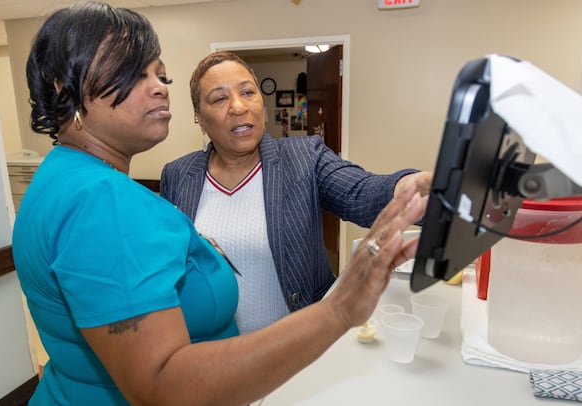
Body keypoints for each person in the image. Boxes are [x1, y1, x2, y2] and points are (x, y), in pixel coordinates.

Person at [12, 2, 427, 405]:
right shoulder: (118, 195)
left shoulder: (60, 176)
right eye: (132, 73)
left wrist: (415, 187)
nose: (158, 86)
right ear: (64, 90)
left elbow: (361, 191)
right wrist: (339, 309)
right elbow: (162, 382)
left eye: (160, 74)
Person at [160, 51, 433, 334]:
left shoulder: (305, 157)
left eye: (247, 92)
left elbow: (360, 192)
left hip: (296, 349)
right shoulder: (178, 175)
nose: (238, 106)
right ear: (199, 118)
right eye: (219, 98)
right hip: (213, 352)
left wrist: (411, 189)